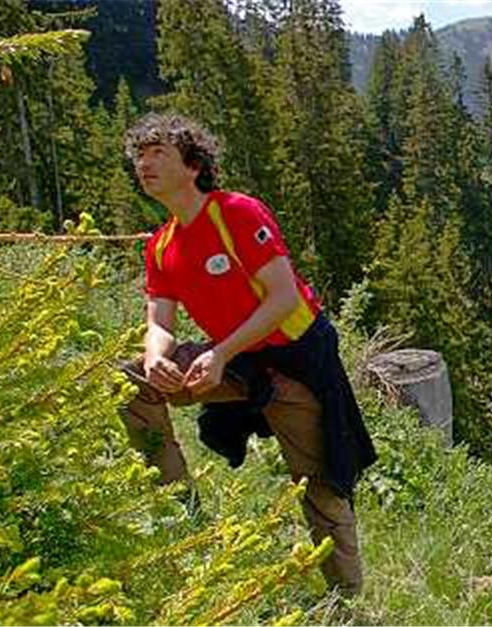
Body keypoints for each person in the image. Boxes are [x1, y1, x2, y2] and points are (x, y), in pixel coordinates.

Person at [118, 113, 376, 596]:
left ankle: (347, 600)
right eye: (140, 156)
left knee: (321, 482)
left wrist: (220, 352)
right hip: (237, 361)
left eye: (158, 154)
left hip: (299, 360)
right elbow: (159, 323)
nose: (144, 164)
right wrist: (156, 357)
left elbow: (283, 299)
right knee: (132, 382)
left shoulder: (236, 212)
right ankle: (182, 516)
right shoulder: (162, 246)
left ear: (193, 166)